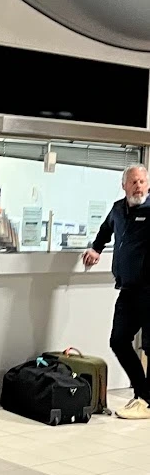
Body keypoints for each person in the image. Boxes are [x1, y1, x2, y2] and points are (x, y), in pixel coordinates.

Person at [83, 164, 150, 420]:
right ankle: (143, 394)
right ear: (124, 186)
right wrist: (96, 249)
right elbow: (106, 230)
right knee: (118, 340)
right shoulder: (118, 209)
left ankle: (146, 400)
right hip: (128, 288)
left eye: (142, 181)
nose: (138, 186)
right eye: (133, 182)